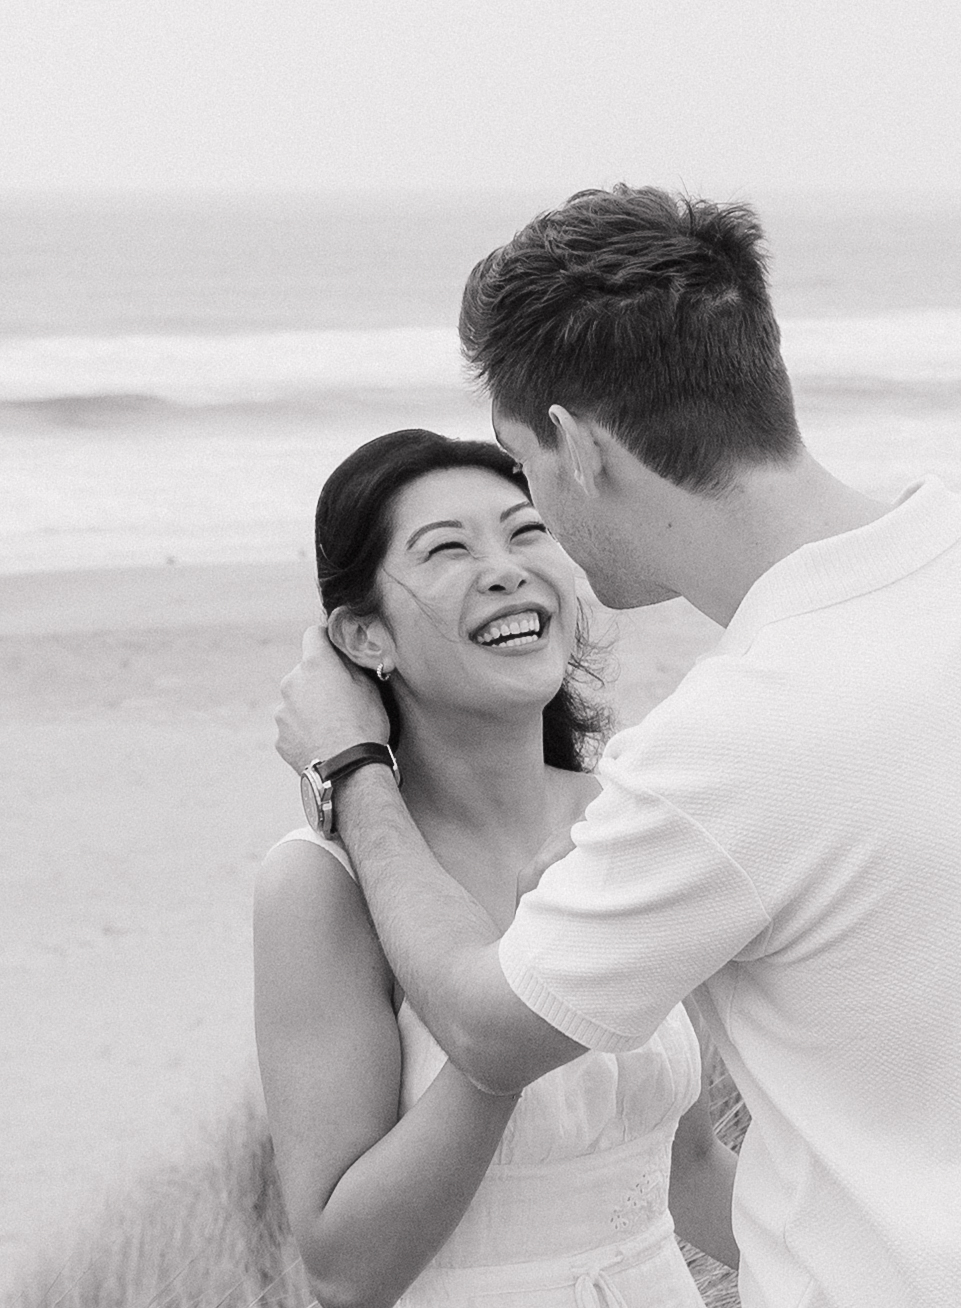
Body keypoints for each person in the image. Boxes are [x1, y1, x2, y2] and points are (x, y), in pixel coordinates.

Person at [274, 188, 961, 1308]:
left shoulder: (734, 744)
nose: (523, 539)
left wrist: (348, 770)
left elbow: (495, 1033)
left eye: (523, 477)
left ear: (579, 448)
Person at [256, 429, 739, 1308]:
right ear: (365, 635)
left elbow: (689, 1167)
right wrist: (510, 1011)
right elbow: (344, 1268)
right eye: (447, 549)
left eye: (525, 532)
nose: (506, 568)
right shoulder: (321, 886)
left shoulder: (621, 818)